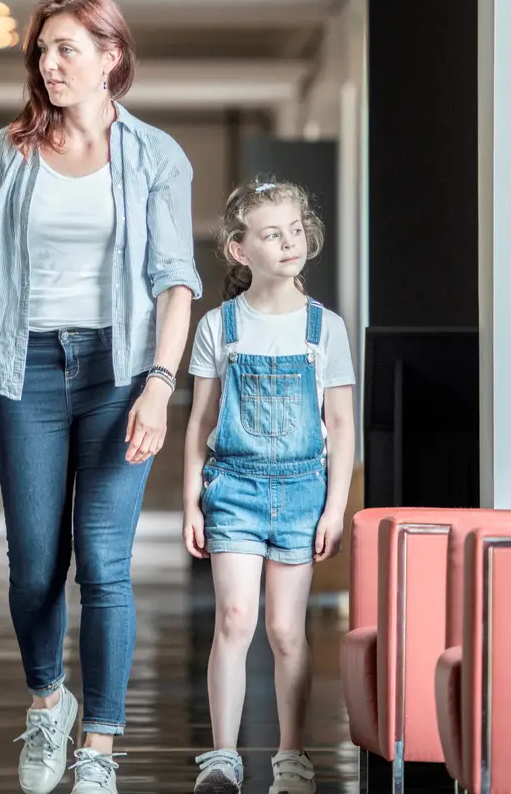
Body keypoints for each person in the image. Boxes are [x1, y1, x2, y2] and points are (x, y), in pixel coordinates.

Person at [0, 0, 203, 794]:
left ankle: (98, 745)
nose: (48, 64)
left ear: (111, 57)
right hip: (21, 369)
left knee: (103, 563)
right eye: (41, 51)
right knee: (34, 565)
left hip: (120, 370)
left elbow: (176, 283)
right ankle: (46, 703)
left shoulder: (156, 156)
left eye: (66, 48)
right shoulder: (8, 151)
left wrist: (159, 386)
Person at [181, 179, 357, 794]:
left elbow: (339, 423)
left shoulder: (325, 328)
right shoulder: (220, 326)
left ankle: (291, 757)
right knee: (234, 618)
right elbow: (201, 422)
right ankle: (223, 758)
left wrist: (336, 507)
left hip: (304, 494)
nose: (288, 242)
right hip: (232, 488)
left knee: (286, 630)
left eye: (296, 230)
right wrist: (190, 504)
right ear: (239, 249)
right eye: (271, 233)